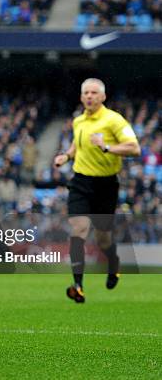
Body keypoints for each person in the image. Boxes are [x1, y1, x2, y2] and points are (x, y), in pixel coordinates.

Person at [54, 78, 141, 303]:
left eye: (94, 93)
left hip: (106, 185)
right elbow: (77, 144)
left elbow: (135, 148)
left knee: (103, 239)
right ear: (82, 97)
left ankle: (113, 262)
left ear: (103, 97)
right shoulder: (79, 121)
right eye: (86, 93)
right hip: (81, 182)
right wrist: (67, 155)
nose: (90, 96)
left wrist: (107, 147)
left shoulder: (114, 120)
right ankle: (78, 285)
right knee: (79, 228)